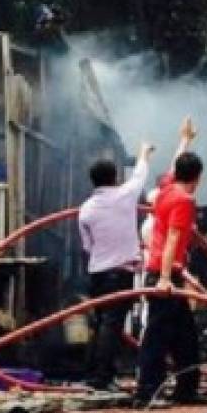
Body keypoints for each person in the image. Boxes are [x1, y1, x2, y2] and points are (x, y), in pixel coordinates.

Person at [78, 141, 155, 390]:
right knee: (111, 326)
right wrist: (143, 152)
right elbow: (140, 173)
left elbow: (87, 247)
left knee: (100, 324)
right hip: (120, 273)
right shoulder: (125, 195)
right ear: (115, 178)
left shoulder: (86, 210)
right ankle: (102, 378)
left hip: (97, 274)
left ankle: (94, 375)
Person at [136, 151, 205, 406]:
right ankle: (146, 393)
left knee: (185, 337)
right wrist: (164, 279)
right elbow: (173, 239)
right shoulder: (184, 200)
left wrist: (186, 140)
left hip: (167, 272)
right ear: (198, 177)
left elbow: (172, 166)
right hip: (164, 275)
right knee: (157, 337)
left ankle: (187, 390)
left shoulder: (165, 190)